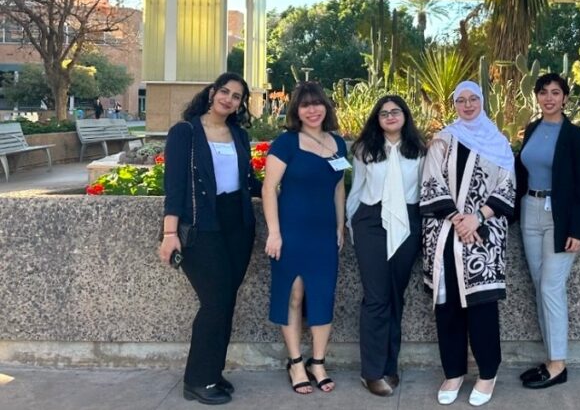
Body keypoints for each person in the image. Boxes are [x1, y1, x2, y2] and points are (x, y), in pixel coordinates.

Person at [158, 72, 260, 405]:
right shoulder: (185, 132)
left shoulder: (239, 135)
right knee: (215, 303)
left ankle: (212, 374)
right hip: (202, 226)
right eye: (225, 92)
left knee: (226, 302)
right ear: (213, 92)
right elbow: (173, 187)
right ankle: (197, 380)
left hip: (239, 225)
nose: (229, 99)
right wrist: (170, 233)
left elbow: (251, 182)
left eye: (237, 96)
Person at [421, 81, 516, 407]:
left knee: (482, 307)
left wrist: (477, 217)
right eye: (460, 100)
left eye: (473, 99)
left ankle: (487, 374)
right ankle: (453, 372)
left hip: (483, 237)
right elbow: (430, 181)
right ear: (454, 104)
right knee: (447, 307)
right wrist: (459, 219)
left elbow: (507, 187)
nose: (467, 105)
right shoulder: (443, 138)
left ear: (482, 101)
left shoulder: (499, 142)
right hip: (445, 234)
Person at [262, 81, 349, 395]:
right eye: (305, 105)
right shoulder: (286, 143)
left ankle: (318, 361)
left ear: (326, 107)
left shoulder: (338, 143)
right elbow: (269, 188)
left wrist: (340, 227)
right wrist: (274, 232)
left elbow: (339, 188)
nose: (312, 110)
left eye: (317, 103)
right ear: (296, 111)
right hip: (291, 231)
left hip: (325, 233)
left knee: (323, 294)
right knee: (294, 295)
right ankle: (296, 362)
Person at [514, 73, 580, 390]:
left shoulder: (576, 136)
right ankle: (550, 359)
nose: (549, 98)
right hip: (530, 210)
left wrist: (578, 229)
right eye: (544, 92)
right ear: (536, 96)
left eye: (555, 92)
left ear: (565, 98)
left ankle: (558, 364)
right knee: (538, 286)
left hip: (560, 218)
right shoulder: (532, 129)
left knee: (550, 287)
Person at [347, 95, 427, 397]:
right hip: (371, 221)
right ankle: (371, 372)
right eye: (383, 113)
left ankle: (389, 366)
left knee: (396, 297)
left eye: (395, 112)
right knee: (377, 297)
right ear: (377, 119)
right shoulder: (366, 149)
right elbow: (356, 190)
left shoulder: (419, 150)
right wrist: (350, 225)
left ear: (405, 116)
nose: (390, 116)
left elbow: (423, 189)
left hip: (408, 219)